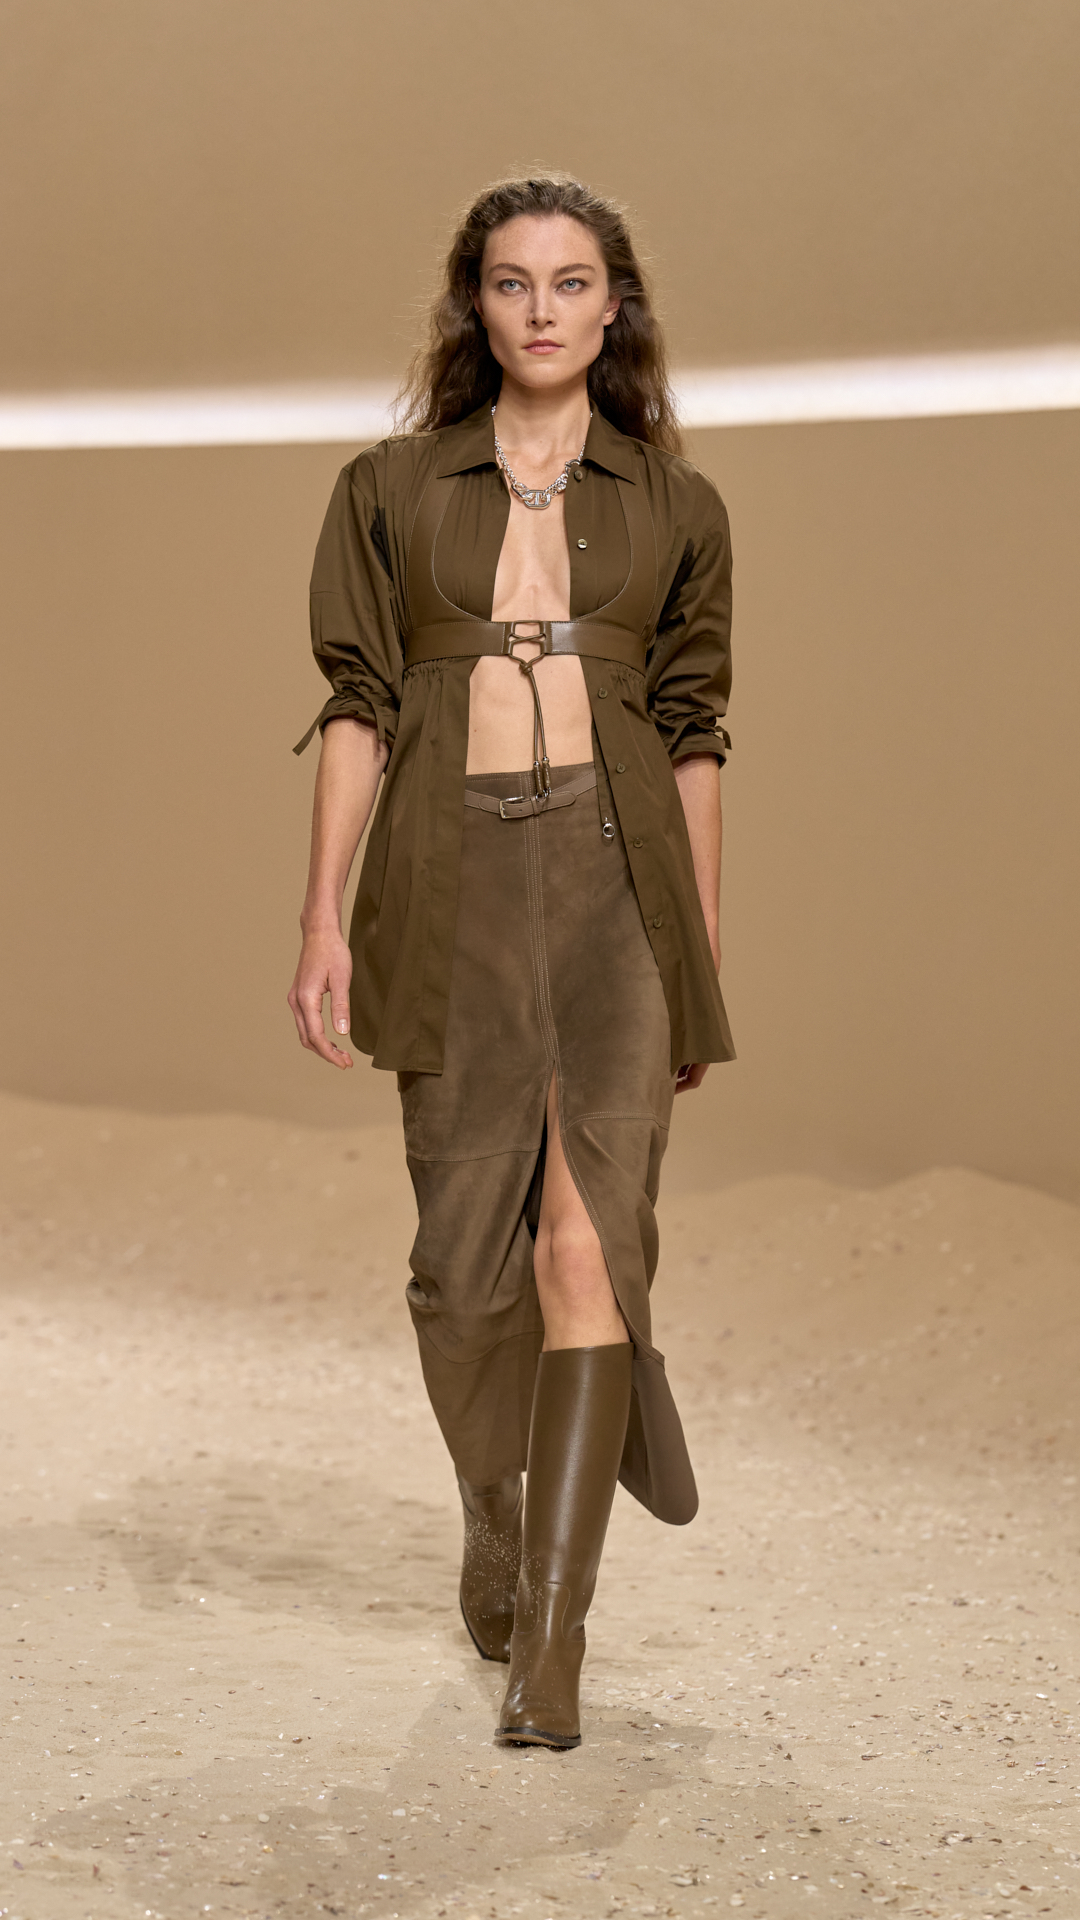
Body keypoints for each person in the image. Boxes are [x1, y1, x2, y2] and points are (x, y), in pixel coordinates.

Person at [288, 174, 734, 1750]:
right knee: (460, 1274)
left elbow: (694, 733)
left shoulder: (679, 505)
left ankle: (554, 1638)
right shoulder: (388, 487)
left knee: (587, 1247)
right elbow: (357, 705)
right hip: (450, 876)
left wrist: (697, 950)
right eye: (511, 281)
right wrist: (323, 914)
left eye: (572, 281)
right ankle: (497, 1501)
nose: (542, 308)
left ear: (616, 306)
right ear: (474, 306)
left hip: (620, 888)